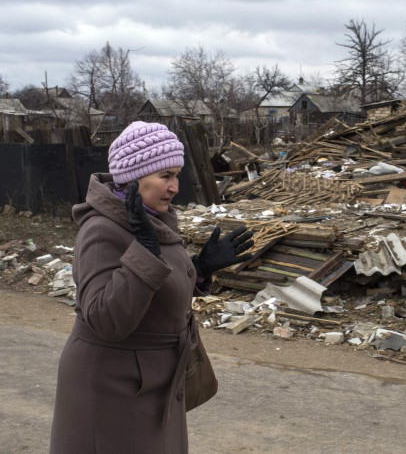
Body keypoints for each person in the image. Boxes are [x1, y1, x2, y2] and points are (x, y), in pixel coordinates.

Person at [50, 121, 254, 453]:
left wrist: (200, 269)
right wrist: (145, 249)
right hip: (114, 385)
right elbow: (105, 319)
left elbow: (154, 288)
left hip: (153, 378)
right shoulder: (101, 230)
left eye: (176, 176)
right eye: (166, 176)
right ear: (133, 178)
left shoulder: (151, 220)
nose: (175, 187)